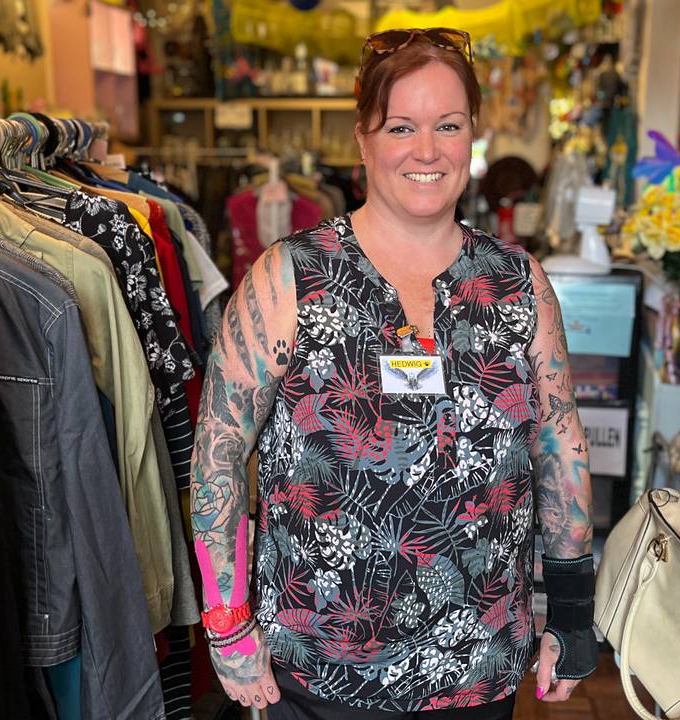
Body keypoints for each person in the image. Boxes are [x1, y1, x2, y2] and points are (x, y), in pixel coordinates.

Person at [191, 27, 597, 718]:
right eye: (401, 126)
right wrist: (227, 622)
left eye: (449, 125)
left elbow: (559, 444)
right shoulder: (288, 278)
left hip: (480, 663)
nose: (427, 150)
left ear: (472, 135)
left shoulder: (517, 282)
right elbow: (219, 450)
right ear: (363, 140)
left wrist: (572, 612)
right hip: (318, 669)